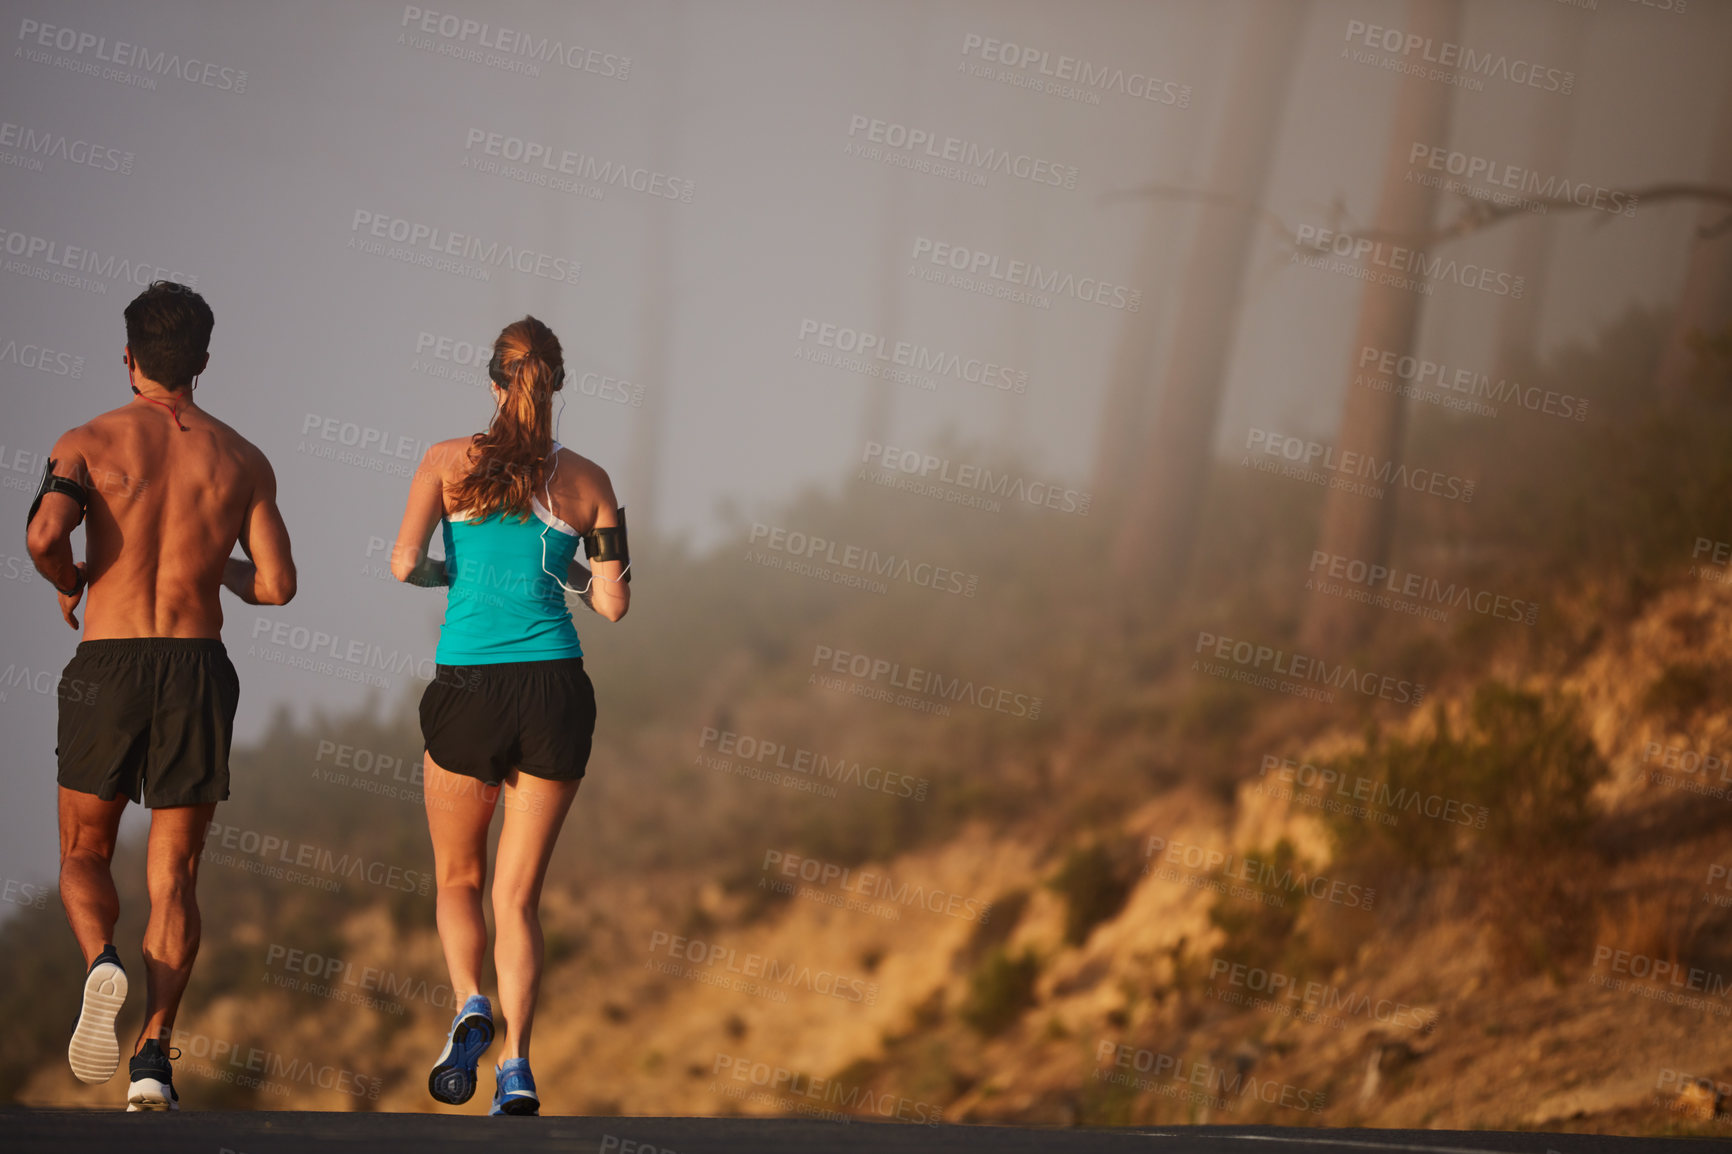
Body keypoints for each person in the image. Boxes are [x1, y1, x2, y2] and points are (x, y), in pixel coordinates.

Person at [26, 281, 297, 1111]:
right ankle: (152, 1059)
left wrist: (70, 578)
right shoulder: (243, 458)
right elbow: (279, 587)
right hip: (196, 665)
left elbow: (43, 534)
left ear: (129, 354)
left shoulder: (86, 442)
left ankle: (100, 960)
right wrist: (203, 557)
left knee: (83, 852)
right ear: (203, 362)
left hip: (108, 660)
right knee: (175, 872)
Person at [391, 316, 629, 1117]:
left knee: (459, 877)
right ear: (554, 386)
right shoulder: (591, 482)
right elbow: (614, 604)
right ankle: (519, 1068)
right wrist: (572, 573)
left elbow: (401, 566)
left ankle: (469, 1004)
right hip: (556, 691)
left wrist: (447, 574)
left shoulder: (444, 461)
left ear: (495, 382)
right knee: (517, 897)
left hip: (468, 689)